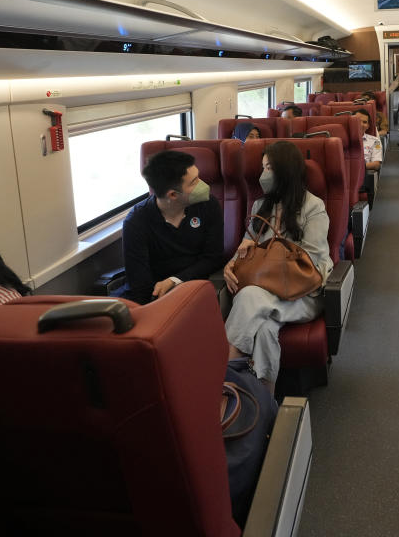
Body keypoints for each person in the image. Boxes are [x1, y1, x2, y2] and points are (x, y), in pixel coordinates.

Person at [224, 140, 333, 390]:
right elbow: (245, 245)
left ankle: (226, 379)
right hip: (266, 293)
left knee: (250, 295)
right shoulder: (260, 206)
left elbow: (312, 262)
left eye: (270, 168)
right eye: (263, 168)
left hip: (302, 293)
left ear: (286, 170)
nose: (263, 175)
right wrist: (231, 265)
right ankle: (265, 403)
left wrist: (267, 256)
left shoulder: (313, 207)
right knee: (264, 330)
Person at [122, 150, 224, 304]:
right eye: (194, 182)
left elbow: (213, 257)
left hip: (195, 284)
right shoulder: (136, 222)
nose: (202, 185)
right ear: (173, 195)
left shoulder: (208, 204)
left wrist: (175, 280)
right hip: (155, 294)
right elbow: (139, 283)